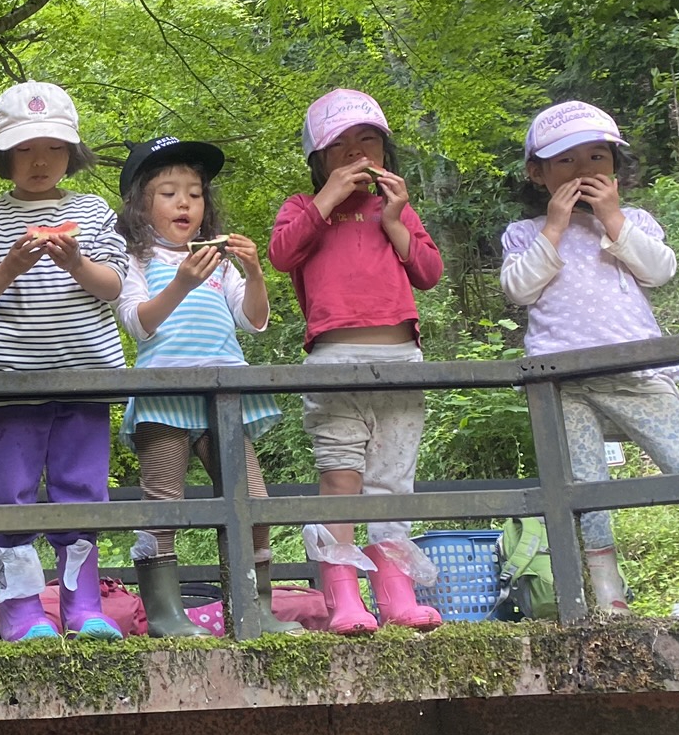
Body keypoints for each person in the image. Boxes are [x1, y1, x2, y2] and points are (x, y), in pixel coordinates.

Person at [500, 100, 679, 616]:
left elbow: (659, 271)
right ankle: (606, 595)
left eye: (596, 156)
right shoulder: (525, 235)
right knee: (585, 489)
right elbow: (519, 290)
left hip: (639, 368)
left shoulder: (633, 221)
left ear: (615, 165)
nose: (584, 171)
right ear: (537, 173)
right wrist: (555, 227)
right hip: (560, 379)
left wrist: (612, 219)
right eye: (565, 161)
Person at [0, 79, 128, 642]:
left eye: (52, 148)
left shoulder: (96, 213)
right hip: (9, 380)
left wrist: (74, 260)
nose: (39, 161)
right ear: (3, 154)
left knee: (82, 491)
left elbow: (111, 286)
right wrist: (10, 265)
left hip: (87, 374)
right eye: (25, 149)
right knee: (10, 496)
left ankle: (83, 605)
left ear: (71, 153)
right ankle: (20, 611)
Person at [269, 88, 445, 634]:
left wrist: (395, 218)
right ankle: (342, 594)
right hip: (333, 357)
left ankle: (396, 592)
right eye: (338, 144)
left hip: (399, 357)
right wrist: (326, 200)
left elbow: (429, 273)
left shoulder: (397, 209)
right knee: (340, 480)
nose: (354, 152)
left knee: (392, 481)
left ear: (385, 151)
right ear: (318, 158)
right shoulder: (303, 207)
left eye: (366, 139)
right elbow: (281, 254)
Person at [116, 136, 299, 638]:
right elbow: (137, 323)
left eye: (194, 194)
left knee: (253, 500)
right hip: (164, 392)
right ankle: (165, 614)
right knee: (164, 502)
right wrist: (180, 283)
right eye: (169, 193)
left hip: (225, 392)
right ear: (140, 206)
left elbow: (252, 320)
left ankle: (254, 607)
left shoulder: (217, 261)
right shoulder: (135, 259)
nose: (184, 203)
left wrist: (254, 271)